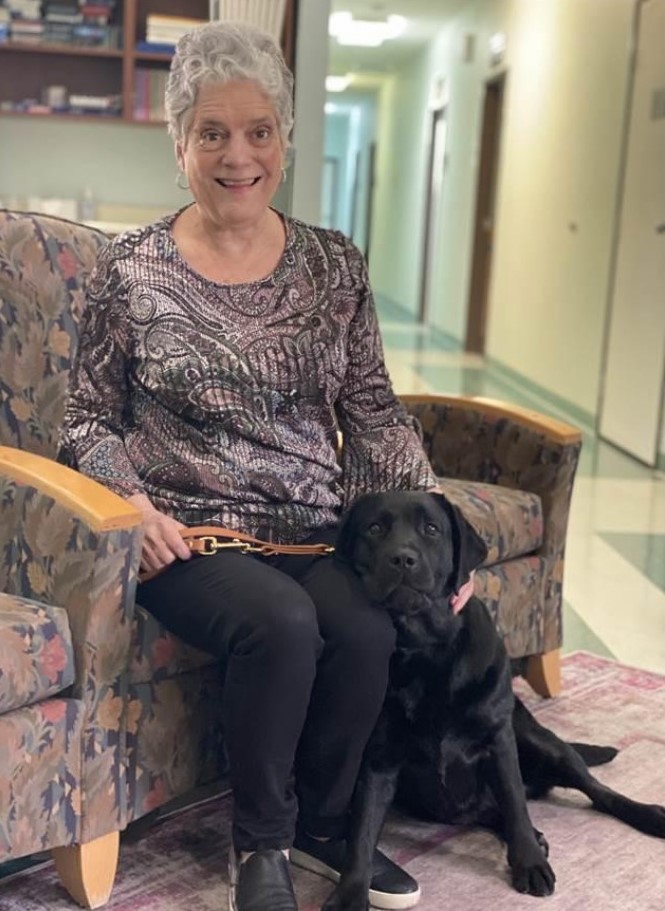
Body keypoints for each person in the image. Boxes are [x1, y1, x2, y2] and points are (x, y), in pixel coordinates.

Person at [62, 21, 474, 911]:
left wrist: (440, 525)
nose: (235, 154)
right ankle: (261, 847)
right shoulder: (129, 270)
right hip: (188, 536)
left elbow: (369, 410)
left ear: (285, 142)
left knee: (363, 629)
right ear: (180, 148)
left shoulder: (334, 265)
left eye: (258, 131)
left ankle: (327, 829)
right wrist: (132, 506)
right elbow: (86, 417)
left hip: (310, 529)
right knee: (283, 624)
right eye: (211, 132)